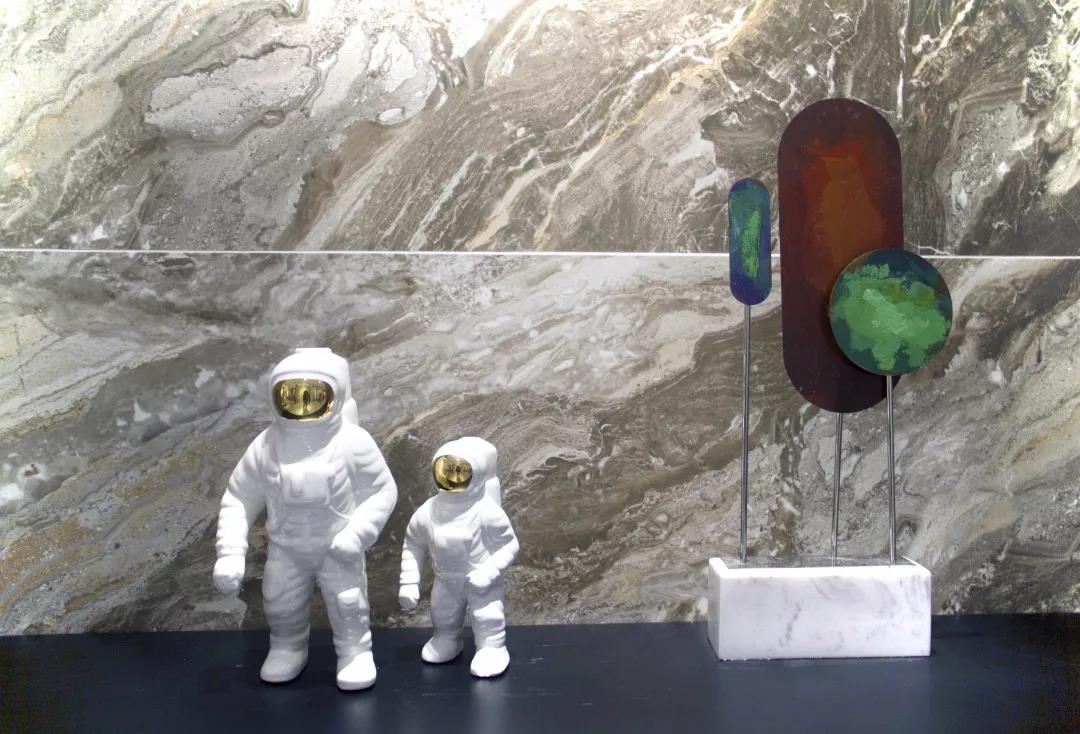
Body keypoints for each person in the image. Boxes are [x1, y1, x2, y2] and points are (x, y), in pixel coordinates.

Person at [213, 348, 397, 690]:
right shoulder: (266, 446)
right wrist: (230, 552)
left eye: (314, 395)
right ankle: (287, 647)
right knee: (279, 602)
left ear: (336, 394)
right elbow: (239, 498)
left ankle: (355, 652)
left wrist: (357, 535)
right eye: (292, 395)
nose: (302, 403)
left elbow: (382, 492)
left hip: (337, 546)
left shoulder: (353, 442)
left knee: (348, 604)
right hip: (287, 547)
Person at [398, 437, 519, 678]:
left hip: (481, 579)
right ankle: (446, 639)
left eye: (460, 471)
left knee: (487, 616)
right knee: (442, 614)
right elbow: (413, 543)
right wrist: (408, 581)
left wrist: (489, 572)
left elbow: (510, 545)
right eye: (447, 470)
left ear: (477, 475)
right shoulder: (429, 511)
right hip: (445, 579)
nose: (452, 478)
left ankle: (492, 648)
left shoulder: (486, 511)